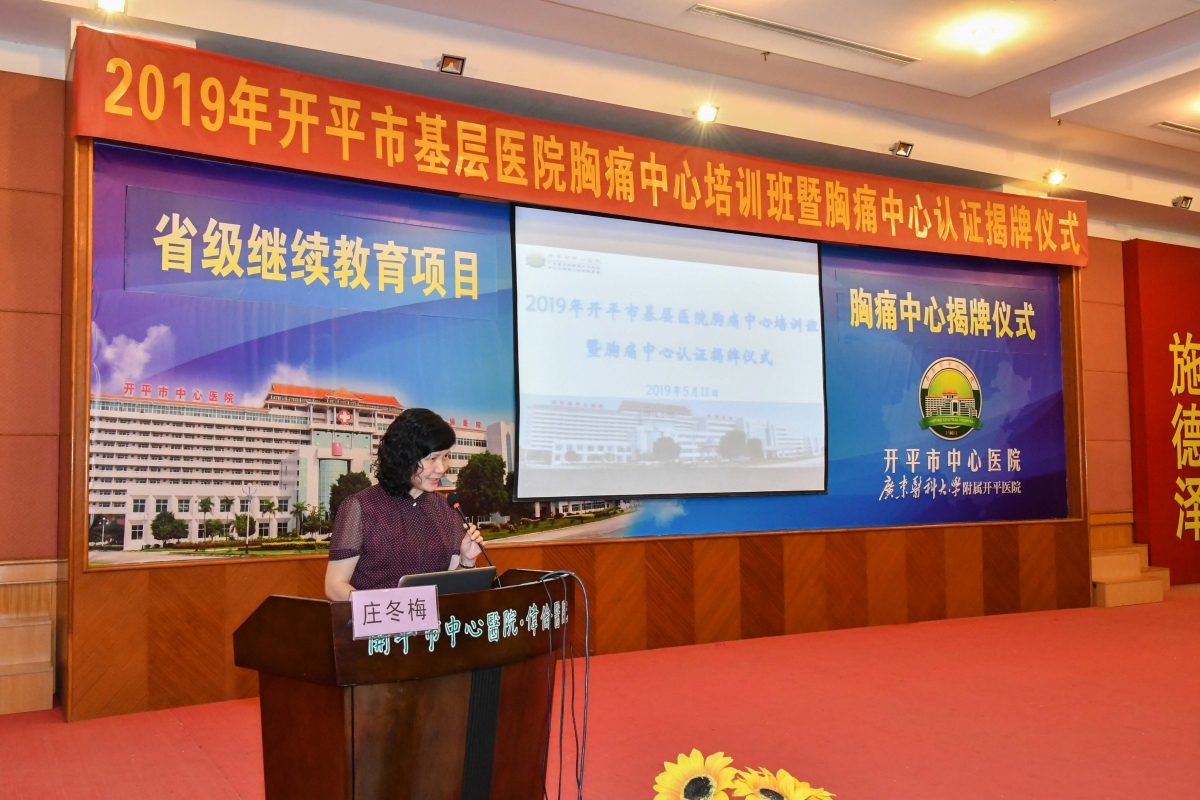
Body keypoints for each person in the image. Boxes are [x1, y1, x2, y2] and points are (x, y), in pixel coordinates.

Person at [324, 408, 485, 601]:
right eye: (432, 458)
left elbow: (450, 587)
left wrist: (467, 561)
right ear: (404, 457)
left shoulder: (446, 509)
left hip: (431, 620)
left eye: (445, 456)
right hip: (379, 619)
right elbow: (334, 586)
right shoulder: (360, 507)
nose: (441, 468)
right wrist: (383, 612)